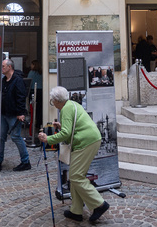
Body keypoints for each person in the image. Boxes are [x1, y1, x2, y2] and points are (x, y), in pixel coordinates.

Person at [38, 86, 110, 223]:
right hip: (91, 139)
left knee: (76, 176)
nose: (53, 104)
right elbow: (71, 127)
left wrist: (48, 139)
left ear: (57, 100)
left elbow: (66, 134)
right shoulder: (72, 104)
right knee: (76, 176)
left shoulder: (65, 109)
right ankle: (76, 211)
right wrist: (61, 125)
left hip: (86, 141)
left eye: (53, 101)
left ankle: (99, 204)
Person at [0, 59, 30, 171]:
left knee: (16, 137)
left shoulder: (17, 80)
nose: (1, 68)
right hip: (4, 113)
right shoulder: (4, 80)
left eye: (3, 66)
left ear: (9, 67)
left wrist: (20, 113)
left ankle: (25, 161)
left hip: (13, 115)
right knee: (1, 137)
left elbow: (21, 97)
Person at [27, 60, 43, 131]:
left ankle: (34, 124)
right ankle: (40, 123)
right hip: (41, 92)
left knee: (34, 109)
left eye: (32, 65)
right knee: (40, 109)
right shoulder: (42, 73)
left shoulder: (31, 73)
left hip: (33, 91)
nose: (31, 66)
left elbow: (28, 82)